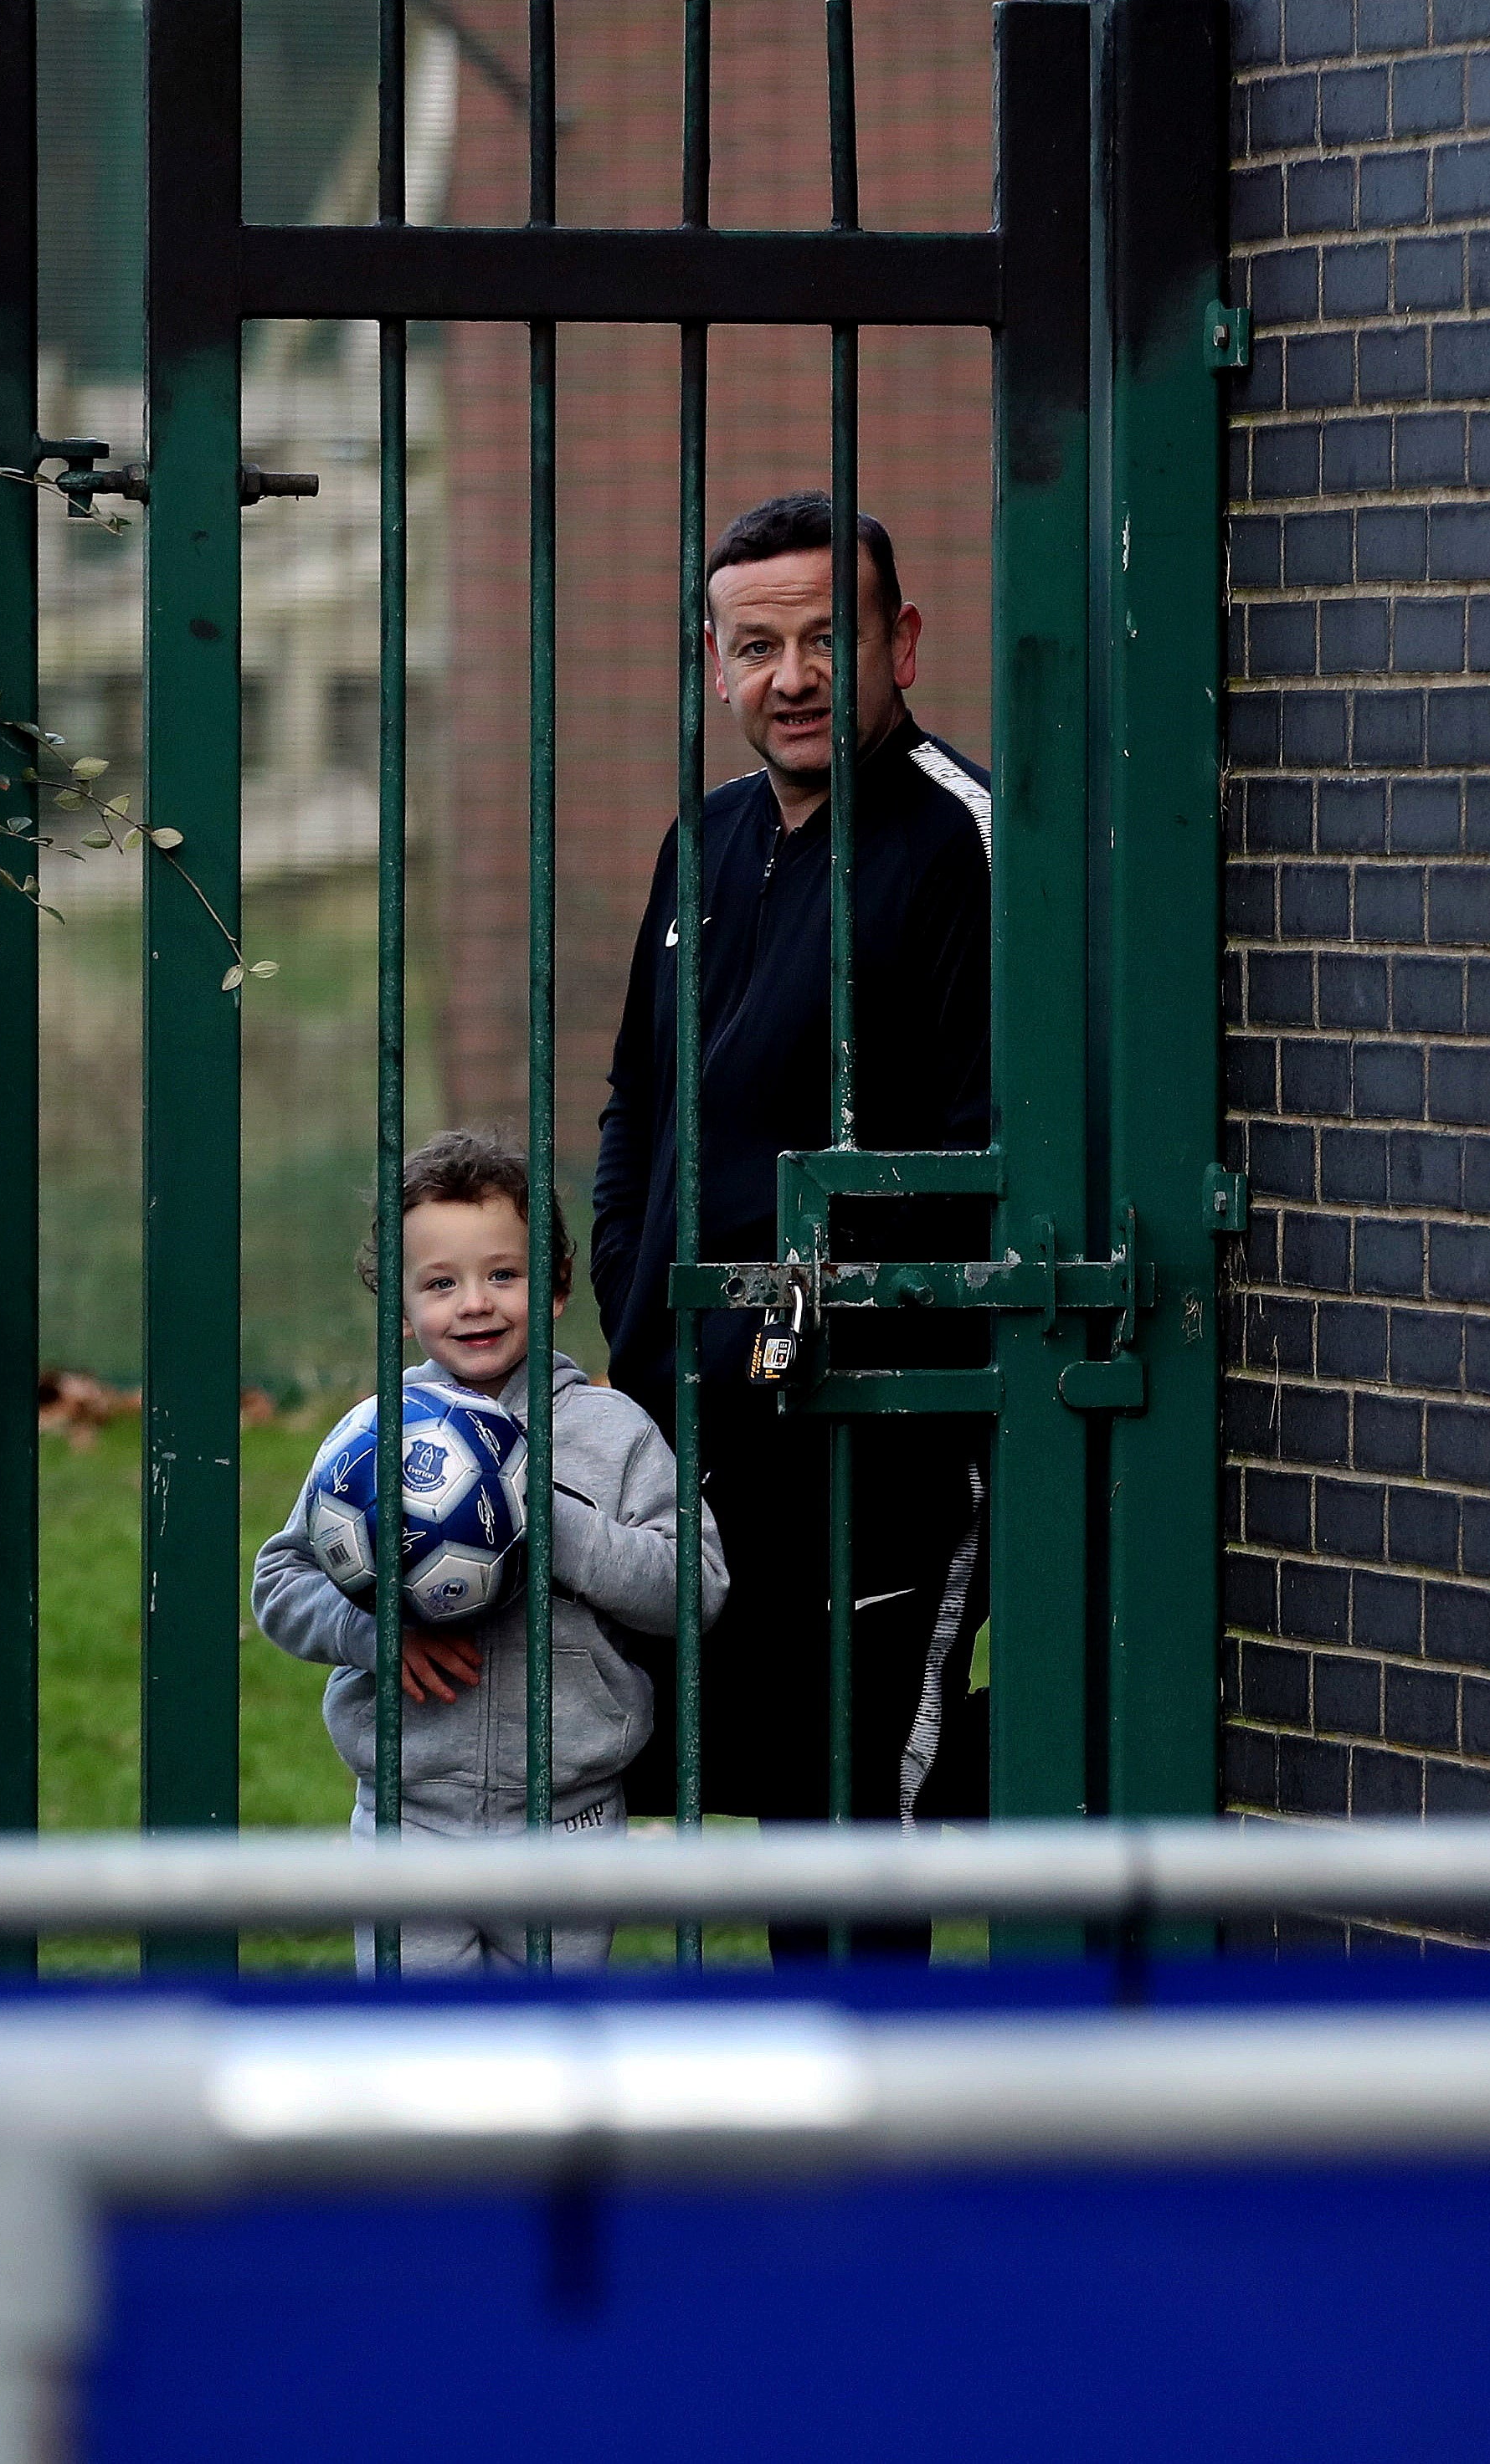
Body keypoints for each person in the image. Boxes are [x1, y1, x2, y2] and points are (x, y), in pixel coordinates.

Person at [593, 491, 994, 1958]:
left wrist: (829, 1318)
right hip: (692, 1435)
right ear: (716, 664)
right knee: (766, 1804)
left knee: (853, 1824)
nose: (794, 673)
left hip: (878, 1439)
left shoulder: (962, 839)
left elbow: (986, 1146)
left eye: (830, 635)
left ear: (904, 638)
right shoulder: (698, 842)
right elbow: (637, 1101)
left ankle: (878, 2143)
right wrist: (635, 1299)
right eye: (756, 643)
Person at [253, 1128, 727, 1976]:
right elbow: (280, 1580)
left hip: (570, 1823)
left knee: (547, 2063)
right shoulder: (375, 1438)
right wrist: (375, 1633)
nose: (475, 1302)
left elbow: (694, 1587)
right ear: (402, 1307)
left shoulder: (611, 1432)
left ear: (552, 1289)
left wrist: (557, 1529)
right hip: (408, 1818)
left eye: (503, 1274)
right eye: (441, 1283)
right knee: (422, 2062)